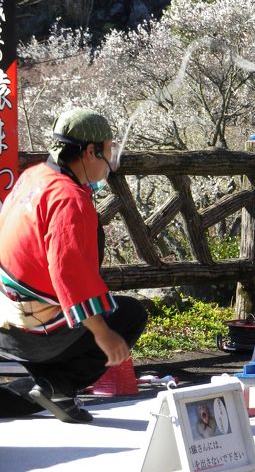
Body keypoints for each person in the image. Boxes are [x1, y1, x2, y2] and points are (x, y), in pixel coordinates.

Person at [0, 108, 147, 423]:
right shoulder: (70, 199)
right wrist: (103, 333)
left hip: (6, 318)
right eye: (108, 150)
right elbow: (69, 275)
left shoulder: (34, 176)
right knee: (130, 316)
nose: (110, 159)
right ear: (90, 151)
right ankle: (59, 385)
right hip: (34, 331)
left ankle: (53, 388)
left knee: (47, 381)